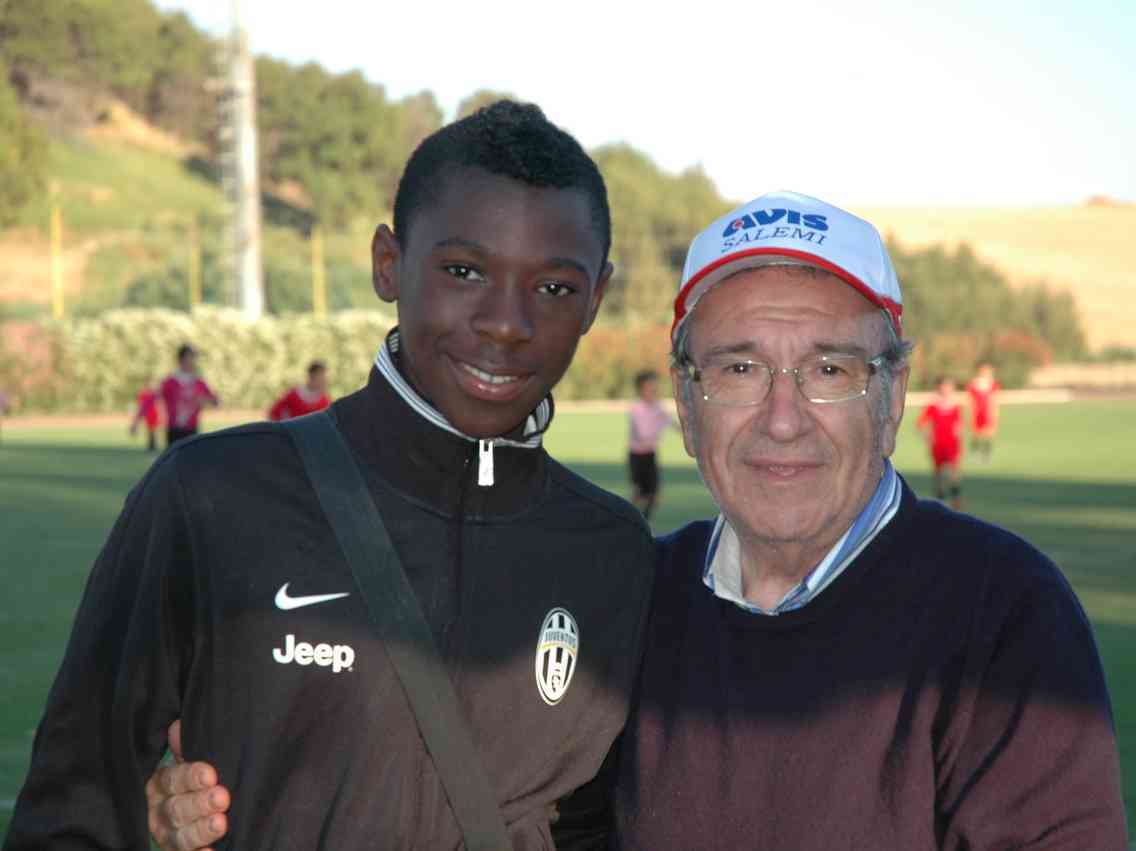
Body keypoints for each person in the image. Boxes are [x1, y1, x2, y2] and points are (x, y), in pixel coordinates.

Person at [147, 194, 1130, 848]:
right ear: (686, 402)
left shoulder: (1002, 611)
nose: (781, 415)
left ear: (893, 392)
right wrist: (230, 786)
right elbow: (496, 804)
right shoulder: (629, 595)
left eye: (829, 368)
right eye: (737, 367)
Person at [5, 101, 655, 850]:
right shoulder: (212, 495)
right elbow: (75, 802)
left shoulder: (615, 554)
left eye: (554, 288)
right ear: (388, 264)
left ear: (595, 299)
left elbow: (599, 825)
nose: (506, 322)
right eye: (464, 271)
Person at [626, 369, 675, 521]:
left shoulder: (658, 407)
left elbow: (671, 422)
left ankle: (643, 521)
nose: (653, 390)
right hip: (637, 456)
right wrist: (660, 424)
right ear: (640, 388)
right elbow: (643, 434)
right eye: (649, 387)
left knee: (654, 495)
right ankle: (629, 519)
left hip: (650, 455)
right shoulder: (637, 409)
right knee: (639, 493)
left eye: (655, 387)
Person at [917, 375, 964, 509]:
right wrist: (928, 438)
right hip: (938, 444)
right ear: (939, 387)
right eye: (945, 386)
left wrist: (959, 440)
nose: (948, 389)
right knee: (938, 474)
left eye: (950, 386)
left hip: (952, 444)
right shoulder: (933, 405)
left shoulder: (955, 406)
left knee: (953, 473)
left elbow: (958, 426)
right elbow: (920, 423)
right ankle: (940, 502)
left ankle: (956, 500)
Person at [159, 343, 219, 446]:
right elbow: (155, 399)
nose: (193, 361)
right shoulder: (170, 381)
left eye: (194, 357)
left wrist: (205, 400)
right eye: (191, 357)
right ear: (181, 359)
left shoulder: (198, 382)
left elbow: (216, 401)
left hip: (192, 430)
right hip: (174, 430)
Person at [266, 360, 331, 421]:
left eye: (324, 378)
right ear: (311, 376)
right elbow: (273, 414)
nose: (324, 381)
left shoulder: (325, 401)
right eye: (320, 378)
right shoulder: (293, 395)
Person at [967, 362, 1001, 462]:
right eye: (984, 370)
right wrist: (970, 414)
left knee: (988, 434)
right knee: (975, 435)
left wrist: (995, 414)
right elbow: (970, 400)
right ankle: (974, 454)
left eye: (988, 370)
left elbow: (995, 400)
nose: (986, 372)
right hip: (977, 413)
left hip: (988, 413)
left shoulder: (993, 384)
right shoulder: (974, 384)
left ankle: (986, 455)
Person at [129, 381, 162, 452]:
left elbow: (158, 400)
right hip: (149, 414)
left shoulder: (152, 394)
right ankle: (152, 445)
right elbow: (142, 405)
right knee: (150, 431)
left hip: (153, 414)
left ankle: (152, 445)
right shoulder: (146, 394)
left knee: (152, 431)